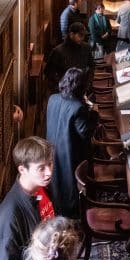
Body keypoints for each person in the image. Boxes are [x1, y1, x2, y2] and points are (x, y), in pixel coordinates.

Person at [0, 137, 55, 260]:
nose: (49, 172)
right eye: (41, 168)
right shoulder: (10, 214)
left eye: (50, 164)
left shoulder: (40, 189)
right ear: (22, 170)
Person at [46, 68, 99, 219]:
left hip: (53, 148)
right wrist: (94, 113)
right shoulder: (78, 107)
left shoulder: (53, 99)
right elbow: (85, 132)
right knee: (70, 186)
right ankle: (72, 215)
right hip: (70, 152)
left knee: (56, 183)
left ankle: (57, 211)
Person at [44, 22, 95, 93]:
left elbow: (92, 66)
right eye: (80, 35)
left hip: (82, 90)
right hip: (64, 92)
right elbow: (49, 72)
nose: (82, 38)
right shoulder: (58, 51)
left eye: (84, 36)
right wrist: (61, 86)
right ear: (71, 35)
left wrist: (88, 82)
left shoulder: (86, 48)